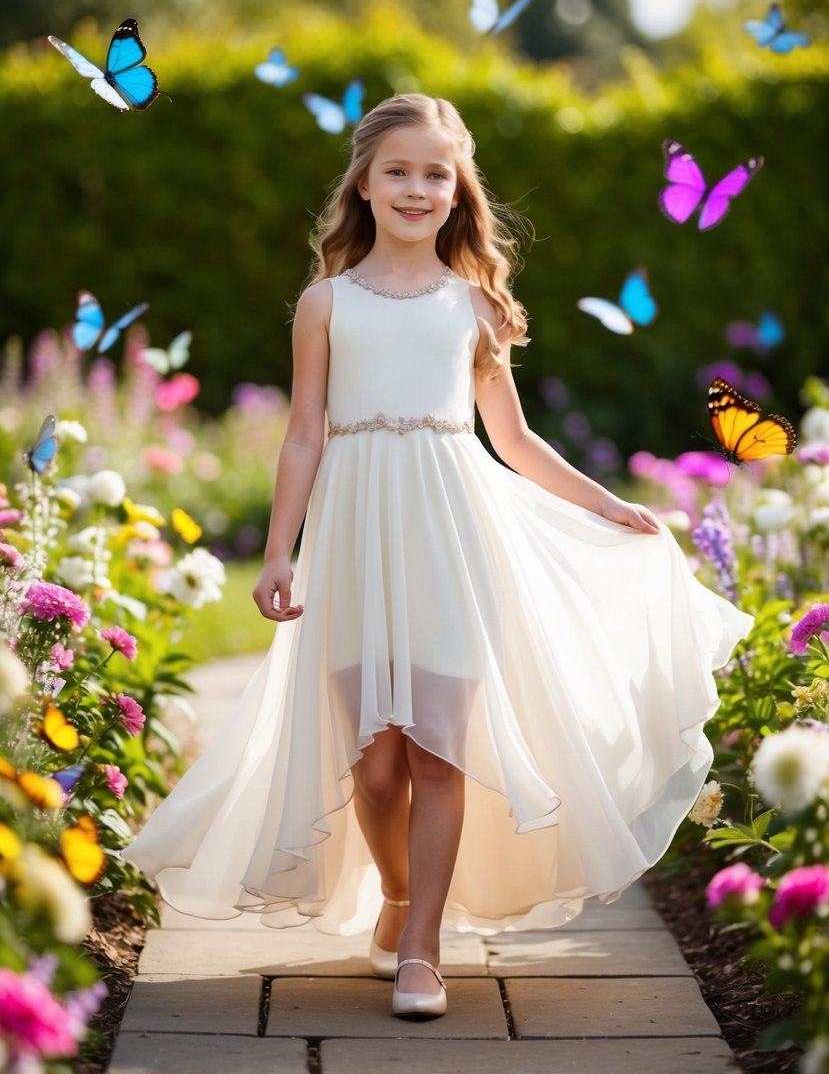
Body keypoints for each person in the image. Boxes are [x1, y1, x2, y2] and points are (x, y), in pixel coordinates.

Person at [125, 93, 753, 1020]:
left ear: (458, 191)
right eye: (398, 171)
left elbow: (515, 440)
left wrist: (608, 501)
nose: (417, 188)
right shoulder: (324, 304)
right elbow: (302, 436)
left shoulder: (473, 307)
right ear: (364, 186)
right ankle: (399, 895)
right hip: (354, 536)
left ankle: (421, 950)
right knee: (373, 765)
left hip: (453, 538)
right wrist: (275, 554)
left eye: (435, 173)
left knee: (436, 754)